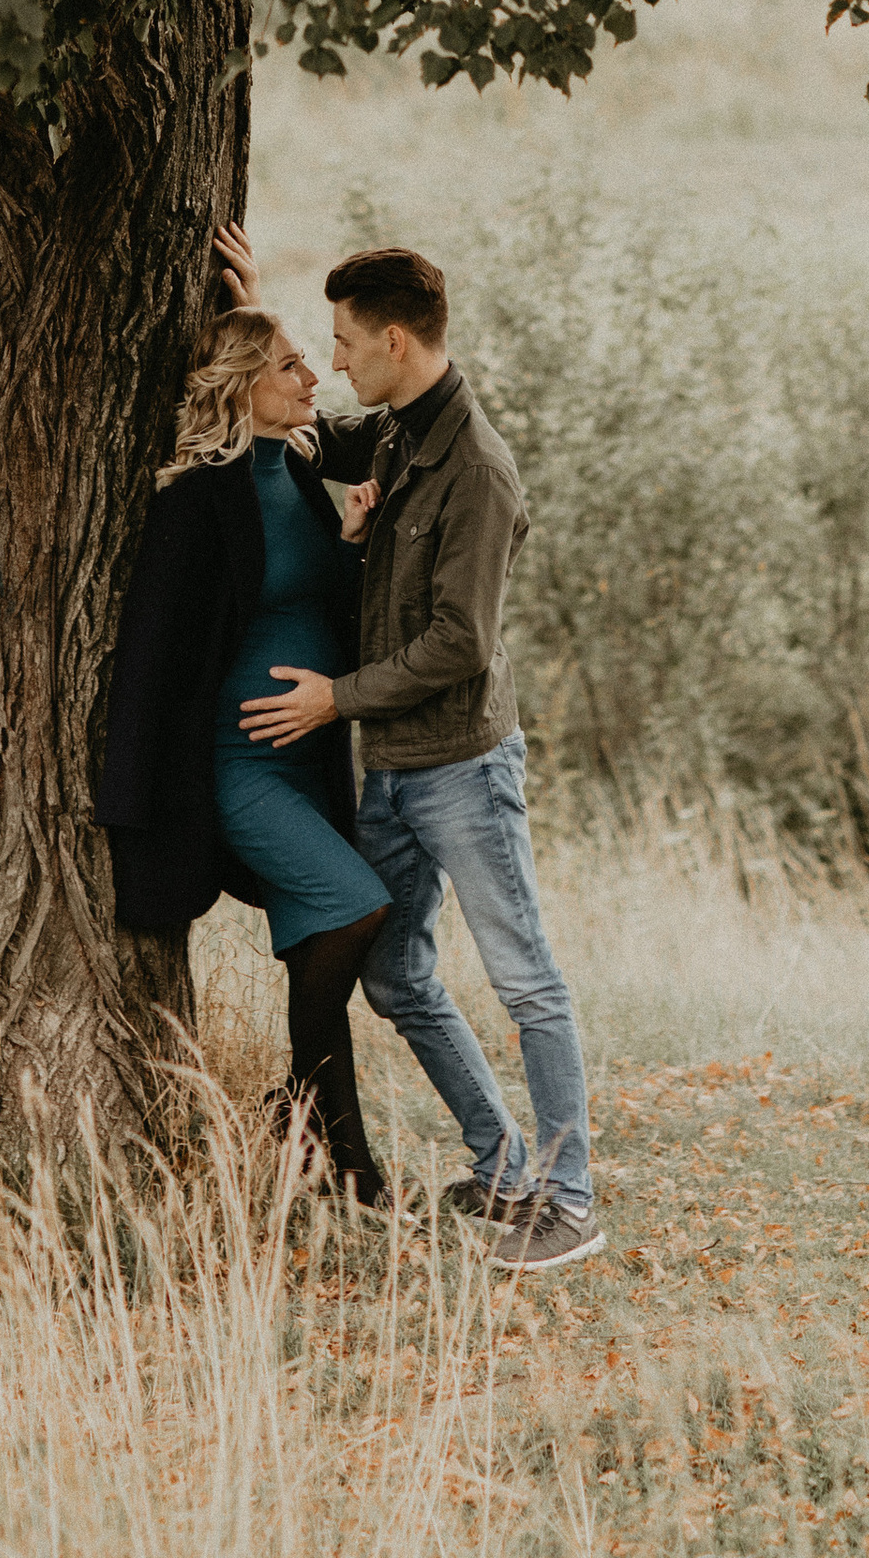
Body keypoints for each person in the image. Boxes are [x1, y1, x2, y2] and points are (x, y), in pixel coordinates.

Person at [234, 236, 603, 1273]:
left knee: (526, 983)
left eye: (347, 343)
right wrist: (255, 332)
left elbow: (459, 642)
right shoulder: (400, 429)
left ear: (397, 340)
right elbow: (317, 433)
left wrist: (333, 701)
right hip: (391, 767)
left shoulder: (474, 468)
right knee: (396, 977)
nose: (337, 362)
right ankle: (501, 1167)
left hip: (459, 772)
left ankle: (568, 1204)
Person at [94, 291, 397, 1209]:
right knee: (351, 909)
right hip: (238, 761)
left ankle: (323, 1149)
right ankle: (323, 1139)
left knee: (326, 935)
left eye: (311, 360)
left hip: (310, 759)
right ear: (239, 389)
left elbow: (309, 602)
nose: (314, 378)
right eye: (290, 367)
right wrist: (131, 800)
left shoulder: (299, 468)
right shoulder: (196, 501)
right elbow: (155, 653)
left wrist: (351, 546)